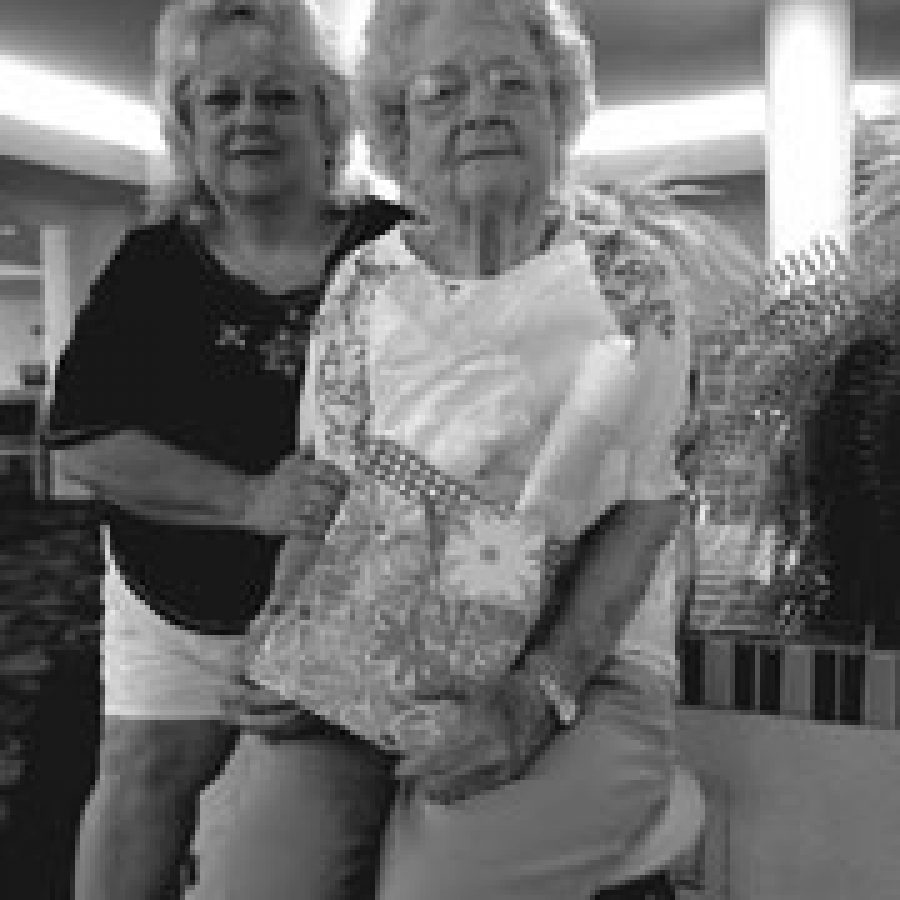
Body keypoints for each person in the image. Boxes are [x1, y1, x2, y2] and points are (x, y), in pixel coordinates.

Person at [191, 1, 711, 897]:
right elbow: (330, 495)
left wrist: (536, 696)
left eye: (516, 83)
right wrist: (280, 634)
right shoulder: (364, 285)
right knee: (252, 869)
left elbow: (646, 507)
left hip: (584, 664)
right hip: (376, 642)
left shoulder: (630, 277)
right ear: (398, 134)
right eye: (443, 91)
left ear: (558, 114)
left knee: (440, 885)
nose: (483, 107)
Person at [43, 2, 405, 898]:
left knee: (321, 827)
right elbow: (86, 438)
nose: (250, 119)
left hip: (343, 602)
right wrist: (248, 498)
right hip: (167, 599)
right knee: (142, 778)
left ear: (329, 118)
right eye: (223, 99)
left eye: (279, 97)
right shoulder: (150, 264)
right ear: (188, 126)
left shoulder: (397, 249)